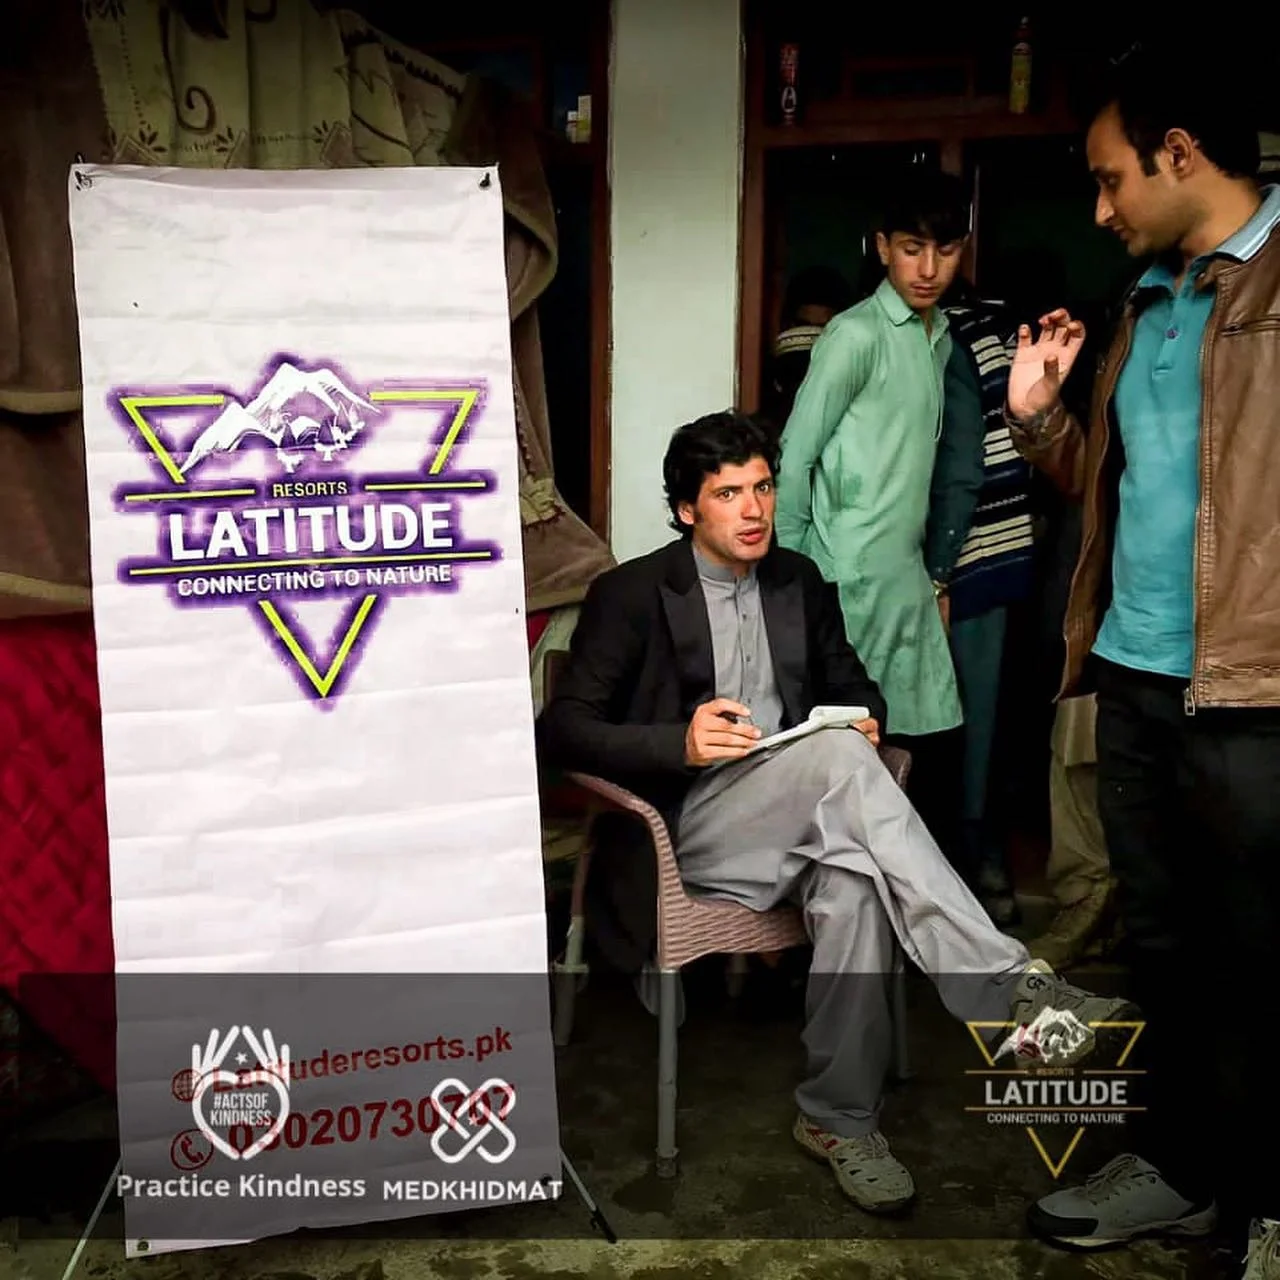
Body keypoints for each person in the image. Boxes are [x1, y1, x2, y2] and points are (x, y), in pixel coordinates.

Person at [539, 410, 1132, 1215]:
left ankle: (838, 1120)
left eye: (762, 488)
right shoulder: (632, 593)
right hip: (691, 826)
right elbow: (564, 730)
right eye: (728, 494)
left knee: (854, 884)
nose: (754, 510)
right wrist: (678, 741)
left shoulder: (797, 581)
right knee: (835, 762)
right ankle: (1006, 988)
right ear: (686, 509)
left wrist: (861, 719)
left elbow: (856, 688)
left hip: (810, 810)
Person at [1005, 52, 1280, 1275]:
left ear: (1179, 152)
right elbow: (1117, 488)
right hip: (1134, 673)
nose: (1099, 208)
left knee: (1259, 954)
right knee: (1162, 948)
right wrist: (1039, 418)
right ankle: (1176, 1169)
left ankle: (1263, 1206)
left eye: (1110, 179)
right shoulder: (1145, 302)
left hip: (1256, 688)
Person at [774, 167, 969, 860]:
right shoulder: (855, 335)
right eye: (912, 249)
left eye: (945, 251)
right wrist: (795, 576)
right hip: (845, 582)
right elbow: (794, 457)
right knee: (860, 758)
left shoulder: (939, 336)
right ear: (883, 247)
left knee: (929, 745)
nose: (928, 269)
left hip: (905, 581)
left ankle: (913, 900)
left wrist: (934, 577)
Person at [924, 278, 1036, 923]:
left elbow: (963, 466)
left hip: (965, 557)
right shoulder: (989, 327)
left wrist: (939, 572)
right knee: (981, 719)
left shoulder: (950, 340)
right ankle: (977, 868)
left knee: (963, 724)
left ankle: (969, 872)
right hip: (994, 555)